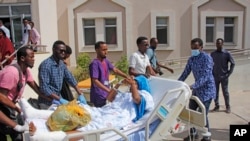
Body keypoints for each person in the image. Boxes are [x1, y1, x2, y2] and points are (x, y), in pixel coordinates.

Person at [0, 46, 46, 141]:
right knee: (15, 131)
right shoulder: (12, 72)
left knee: (17, 134)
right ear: (22, 58)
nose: (34, 59)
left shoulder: (25, 71)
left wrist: (54, 99)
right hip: (3, 105)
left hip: (9, 105)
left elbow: (37, 89)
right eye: (31, 57)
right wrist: (17, 108)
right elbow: (1, 97)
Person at [178, 38, 215, 141]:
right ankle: (193, 134)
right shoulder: (192, 59)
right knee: (191, 112)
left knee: (202, 114)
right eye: (192, 47)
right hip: (197, 90)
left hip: (207, 90)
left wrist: (192, 86)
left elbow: (206, 76)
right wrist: (177, 83)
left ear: (201, 47)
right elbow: (185, 73)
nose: (193, 49)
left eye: (196, 47)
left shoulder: (207, 58)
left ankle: (207, 136)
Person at [38, 40, 87, 109]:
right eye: (61, 51)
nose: (63, 53)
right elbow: (44, 87)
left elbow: (70, 78)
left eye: (64, 51)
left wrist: (80, 93)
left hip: (58, 100)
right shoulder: (46, 65)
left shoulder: (61, 64)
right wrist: (60, 99)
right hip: (47, 103)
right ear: (54, 50)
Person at [89, 41, 130, 107]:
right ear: (97, 50)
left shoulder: (106, 61)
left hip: (106, 93)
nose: (106, 52)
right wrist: (109, 90)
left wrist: (126, 76)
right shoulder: (94, 64)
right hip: (98, 95)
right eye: (103, 50)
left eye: (106, 49)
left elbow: (115, 70)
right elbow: (95, 81)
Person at [211, 38, 235, 113]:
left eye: (220, 43)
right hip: (215, 76)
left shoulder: (227, 53)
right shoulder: (213, 54)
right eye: (217, 43)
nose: (218, 44)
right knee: (215, 92)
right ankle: (216, 106)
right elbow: (210, 64)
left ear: (222, 44)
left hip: (224, 76)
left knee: (225, 92)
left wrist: (229, 73)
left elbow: (233, 63)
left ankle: (228, 106)